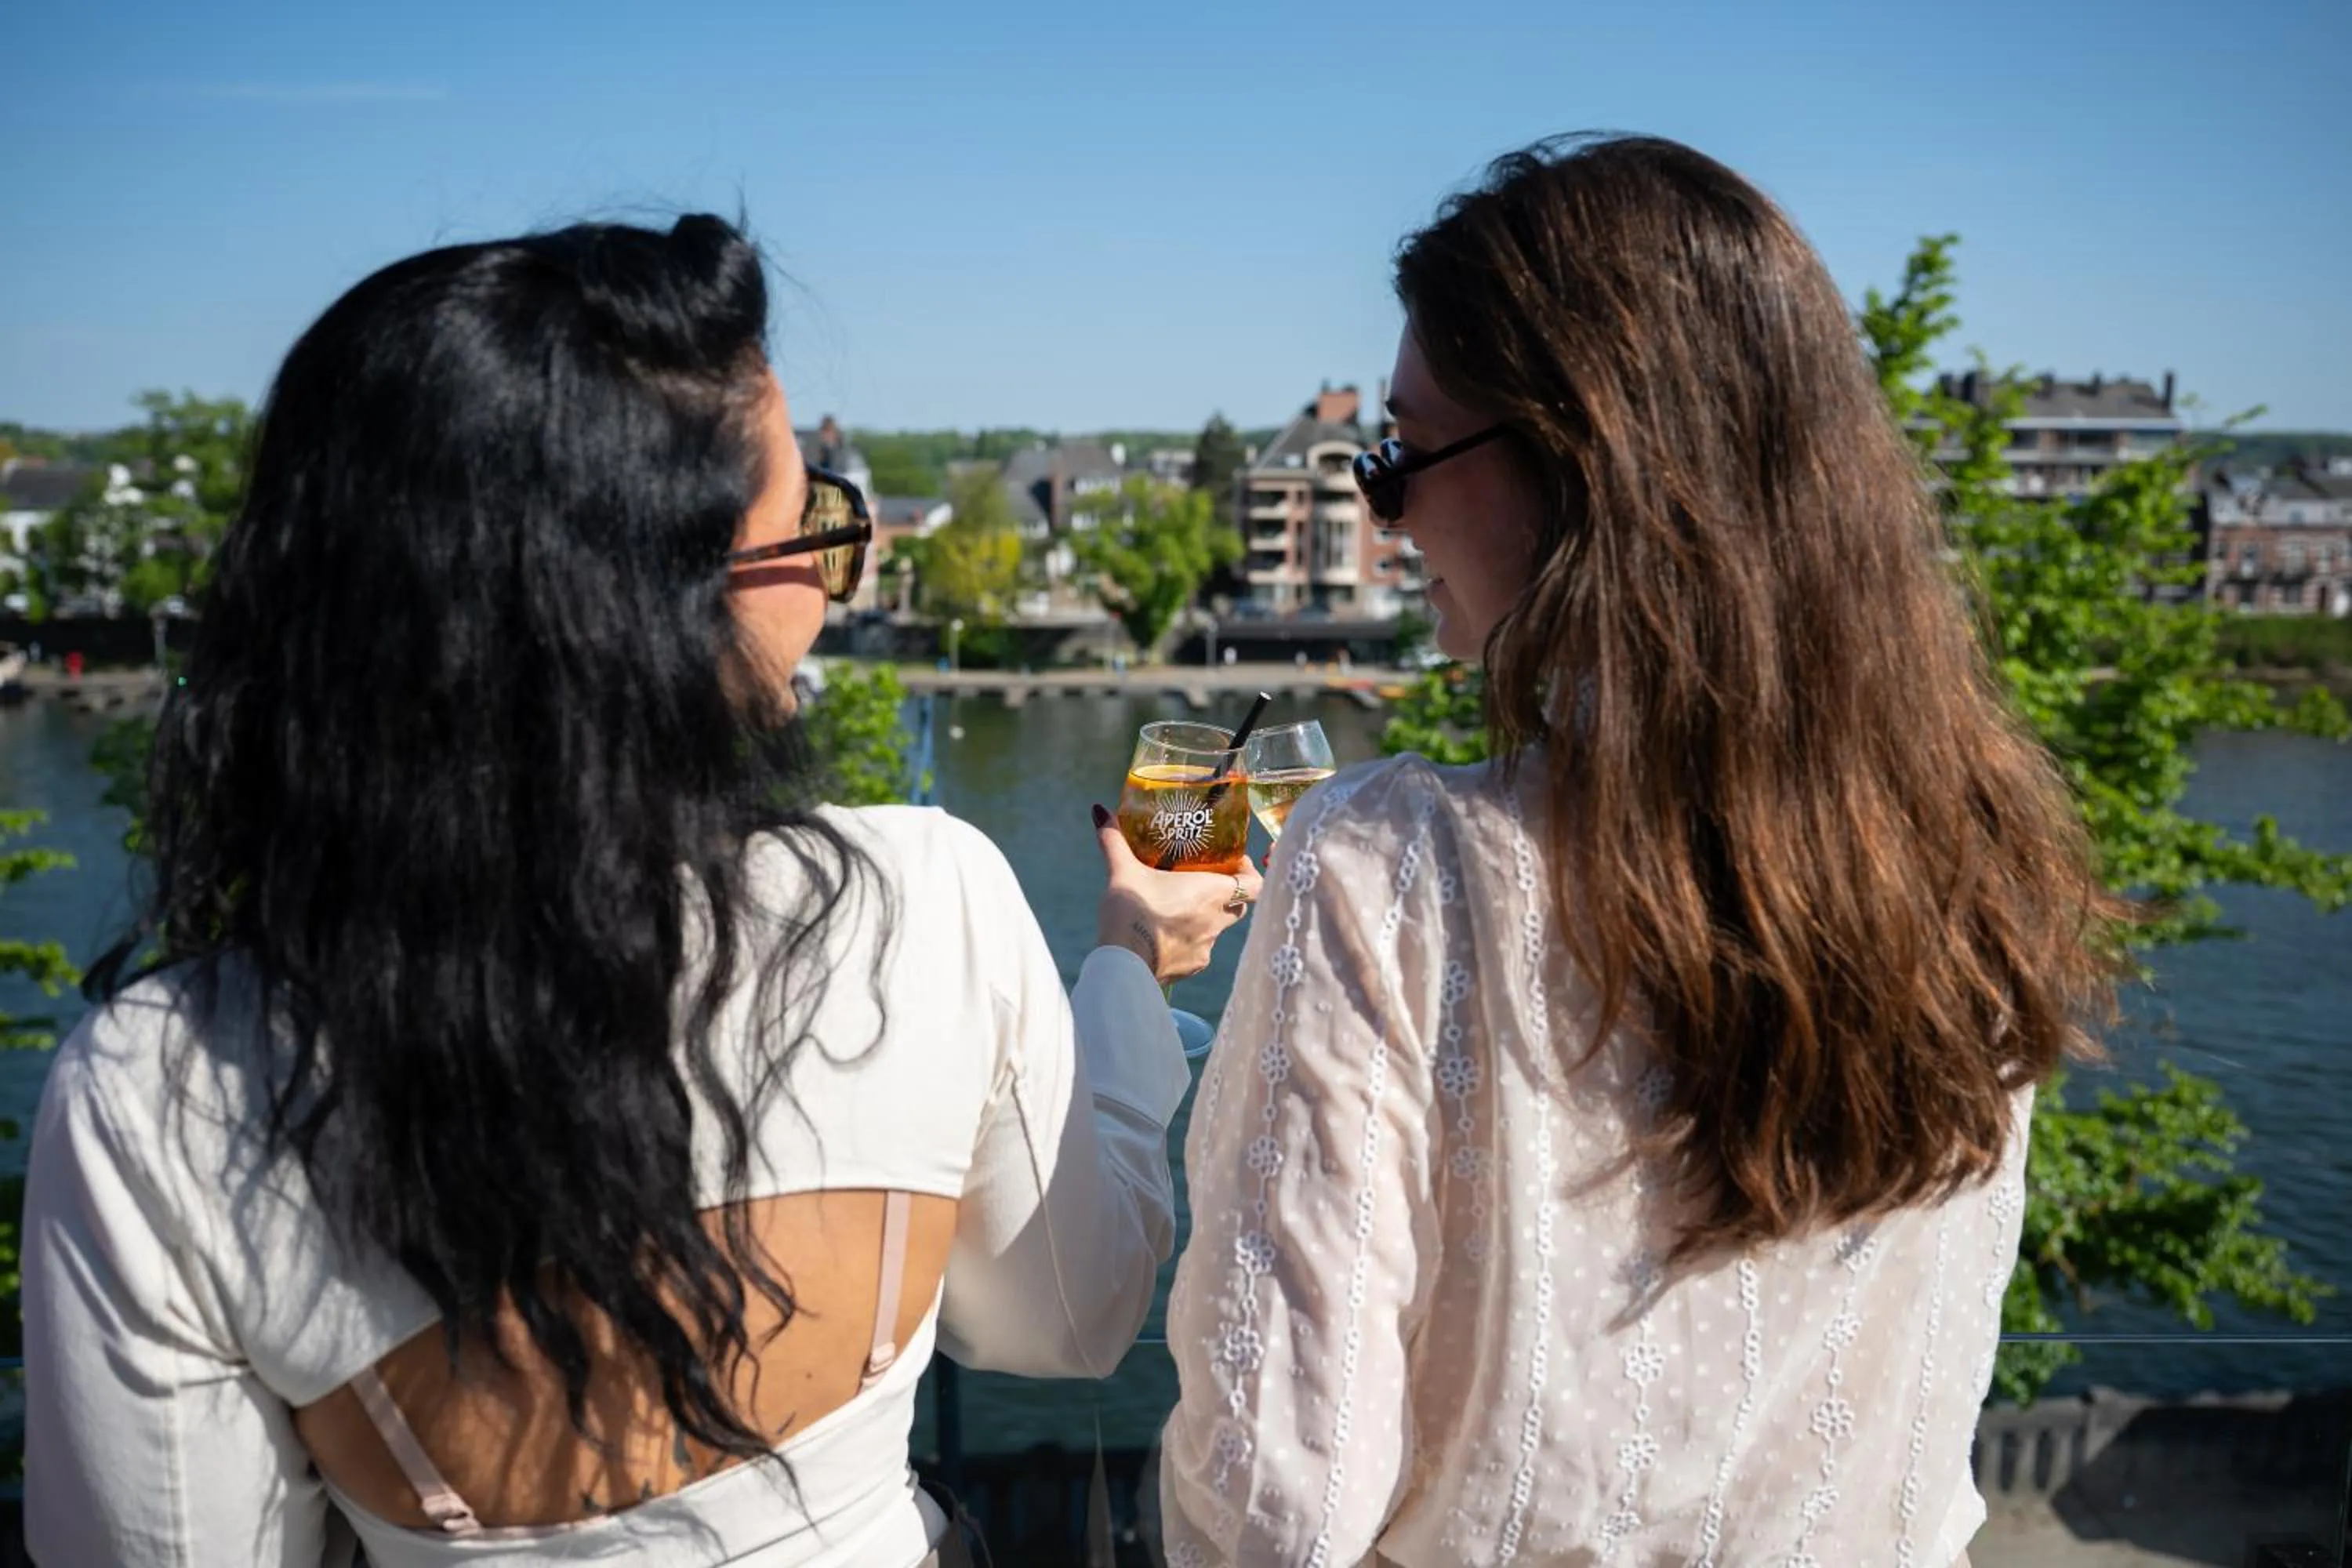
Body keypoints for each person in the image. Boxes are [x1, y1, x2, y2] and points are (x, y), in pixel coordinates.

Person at [24, 214, 1260, 1567]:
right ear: (651, 611)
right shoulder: (920, 903)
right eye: (812, 536)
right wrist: (1130, 969)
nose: (829, 599)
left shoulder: (164, 1089)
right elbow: (1069, 1321)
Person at [1158, 135, 2121, 1566]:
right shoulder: (1980, 868)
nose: (1387, 509)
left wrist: (1136, 962)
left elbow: (1275, 1511)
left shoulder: (1397, 868)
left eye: (1405, 457)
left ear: (1581, 464)